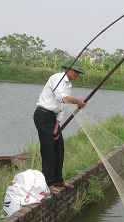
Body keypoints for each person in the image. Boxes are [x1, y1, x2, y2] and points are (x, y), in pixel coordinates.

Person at [33, 59, 87, 194]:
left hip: (52, 118)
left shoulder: (69, 85)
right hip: (43, 116)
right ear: (67, 69)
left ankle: (58, 179)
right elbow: (60, 98)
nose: (77, 75)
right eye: (75, 71)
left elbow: (61, 107)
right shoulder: (57, 78)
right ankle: (48, 183)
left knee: (59, 148)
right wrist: (77, 101)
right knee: (48, 150)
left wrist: (57, 126)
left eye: (79, 73)